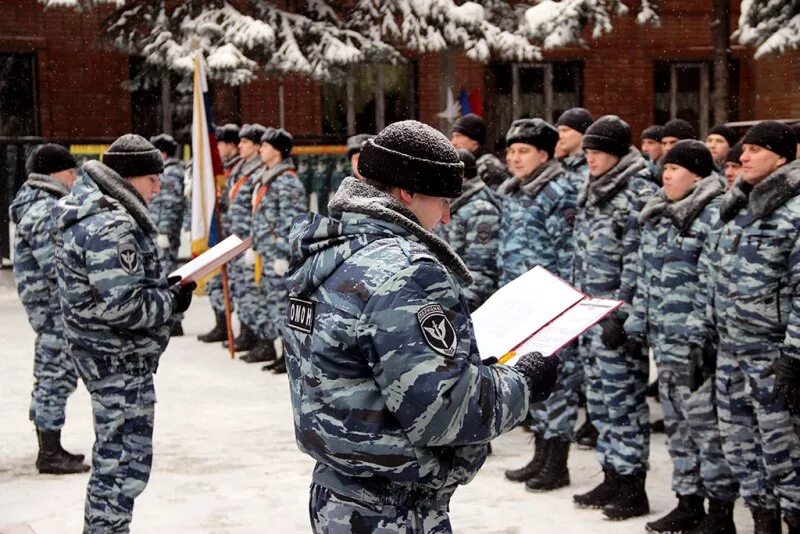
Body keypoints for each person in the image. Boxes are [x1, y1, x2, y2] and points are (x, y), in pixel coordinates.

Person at [282, 120, 560, 533]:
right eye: (443, 200)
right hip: (394, 506)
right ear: (407, 193)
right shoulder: (407, 271)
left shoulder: (331, 250)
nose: (447, 217)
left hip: (339, 492)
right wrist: (523, 382)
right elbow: (443, 412)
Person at [52, 134, 195, 533]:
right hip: (118, 361)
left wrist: (162, 291)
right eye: (152, 179)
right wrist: (172, 302)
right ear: (130, 178)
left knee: (116, 464)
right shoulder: (111, 223)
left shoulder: (91, 211)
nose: (157, 188)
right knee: (121, 469)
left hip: (106, 356)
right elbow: (123, 305)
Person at [625, 140, 738, 534]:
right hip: (665, 341)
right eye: (665, 168)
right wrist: (637, 321)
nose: (666, 174)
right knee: (677, 427)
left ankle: (720, 512)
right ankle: (688, 500)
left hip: (697, 345)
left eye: (676, 168)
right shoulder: (658, 215)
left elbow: (714, 285)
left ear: (699, 175)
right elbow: (645, 276)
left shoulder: (714, 217)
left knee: (707, 429)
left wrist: (701, 337)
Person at [706, 121, 800, 534]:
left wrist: (794, 357)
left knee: (785, 456)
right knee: (741, 450)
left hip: (773, 357)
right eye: (743, 150)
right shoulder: (738, 206)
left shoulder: (794, 211)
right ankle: (763, 524)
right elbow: (715, 276)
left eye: (755, 150)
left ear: (782, 156)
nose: (742, 158)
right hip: (731, 352)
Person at [571, 115, 657, 520]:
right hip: (588, 310)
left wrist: (620, 313)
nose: (590, 157)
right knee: (601, 401)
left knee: (624, 401)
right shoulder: (595, 188)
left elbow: (638, 258)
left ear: (617, 153)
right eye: (587, 151)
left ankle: (632, 483)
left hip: (614, 317)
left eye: (598, 151)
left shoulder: (637, 189)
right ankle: (612, 472)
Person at [496, 119, 583, 493]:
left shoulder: (559, 192)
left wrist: (563, 303)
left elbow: (568, 251)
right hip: (523, 303)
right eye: (511, 151)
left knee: (558, 383)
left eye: (523, 151)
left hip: (553, 302)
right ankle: (541, 454)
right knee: (536, 379)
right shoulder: (515, 191)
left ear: (544, 155)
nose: (514, 158)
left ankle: (557, 462)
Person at [11, 143, 88, 475]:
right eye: (71, 173)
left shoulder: (38, 204)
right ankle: (50, 452)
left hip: (49, 308)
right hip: (55, 308)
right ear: (55, 173)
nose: (74, 181)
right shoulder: (44, 210)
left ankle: (50, 445)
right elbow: (57, 268)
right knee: (55, 376)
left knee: (52, 375)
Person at [245, 128, 307, 373]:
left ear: (279, 151)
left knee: (283, 306)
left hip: (279, 256)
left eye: (267, 146)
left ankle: (290, 355)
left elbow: (292, 223)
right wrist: (257, 246)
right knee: (272, 304)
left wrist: (284, 253)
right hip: (266, 253)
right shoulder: (266, 178)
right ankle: (279, 351)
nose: (261, 150)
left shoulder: (287, 181)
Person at [435, 148, 502, 310]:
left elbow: (482, 274)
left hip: (469, 306)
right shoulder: (448, 203)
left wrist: (454, 308)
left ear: (461, 177)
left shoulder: (481, 211)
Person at [224, 123, 267, 353]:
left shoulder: (258, 171)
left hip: (249, 240)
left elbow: (257, 210)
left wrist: (253, 241)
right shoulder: (242, 168)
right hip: (236, 239)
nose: (240, 145)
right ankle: (247, 332)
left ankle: (262, 340)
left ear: (257, 146)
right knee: (242, 288)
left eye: (245, 142)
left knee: (254, 291)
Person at [199, 123, 241, 343]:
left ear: (231, 146)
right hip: (218, 235)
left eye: (221, 144)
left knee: (237, 285)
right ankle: (221, 324)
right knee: (215, 281)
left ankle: (242, 331)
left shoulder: (237, 171)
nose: (218, 149)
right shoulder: (220, 170)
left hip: (231, 236)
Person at [148, 133, 185, 336]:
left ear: (162, 153)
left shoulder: (170, 173)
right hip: (159, 232)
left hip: (165, 235)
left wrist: (163, 231)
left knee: (168, 275)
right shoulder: (165, 172)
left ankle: (174, 320)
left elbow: (170, 205)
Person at [451, 113, 509, 190]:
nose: (453, 142)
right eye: (453, 136)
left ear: (475, 140)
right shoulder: (463, 164)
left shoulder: (490, 168)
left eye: (458, 136)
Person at [555, 107, 593, 189]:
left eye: (565, 130)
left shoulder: (593, 164)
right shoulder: (561, 165)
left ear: (581, 132)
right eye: (559, 131)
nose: (560, 136)